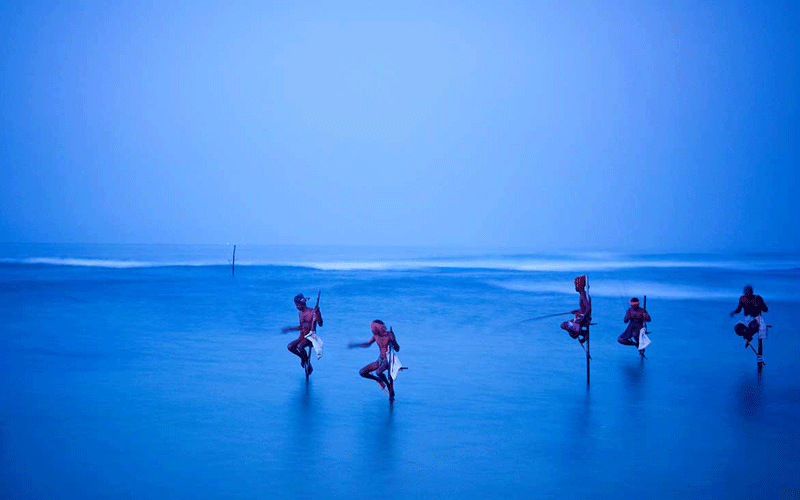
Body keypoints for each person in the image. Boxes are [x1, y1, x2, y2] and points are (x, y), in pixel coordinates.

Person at [348, 320, 400, 401]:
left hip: (388, 360)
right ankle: (379, 380)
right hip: (380, 360)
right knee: (362, 372)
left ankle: (389, 386)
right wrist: (355, 345)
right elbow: (368, 344)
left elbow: (397, 349)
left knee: (378, 372)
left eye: (373, 328)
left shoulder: (389, 334)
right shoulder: (376, 336)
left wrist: (393, 341)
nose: (372, 330)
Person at [282, 293, 323, 377]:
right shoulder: (300, 314)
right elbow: (301, 327)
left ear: (302, 304)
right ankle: (304, 359)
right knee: (290, 346)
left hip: (310, 337)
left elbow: (320, 323)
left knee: (300, 346)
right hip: (302, 336)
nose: (296, 307)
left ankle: (307, 362)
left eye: (297, 305)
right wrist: (290, 329)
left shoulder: (312, 312)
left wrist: (318, 313)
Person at [560, 275, 592, 343]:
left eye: (576, 285)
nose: (575, 287)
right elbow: (584, 309)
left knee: (564, 325)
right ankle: (582, 333)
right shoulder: (582, 294)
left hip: (583, 319)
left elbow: (588, 309)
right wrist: (577, 311)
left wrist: (581, 319)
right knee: (565, 326)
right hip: (581, 317)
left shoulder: (583, 295)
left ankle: (583, 333)